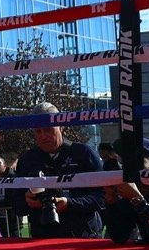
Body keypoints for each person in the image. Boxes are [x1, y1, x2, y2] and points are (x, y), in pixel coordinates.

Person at [7, 102, 104, 239]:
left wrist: (69, 203)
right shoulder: (27, 160)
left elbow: (102, 197)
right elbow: (16, 205)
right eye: (38, 131)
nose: (43, 136)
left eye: (48, 129)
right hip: (41, 237)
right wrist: (27, 200)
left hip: (82, 236)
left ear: (61, 126)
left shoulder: (83, 154)